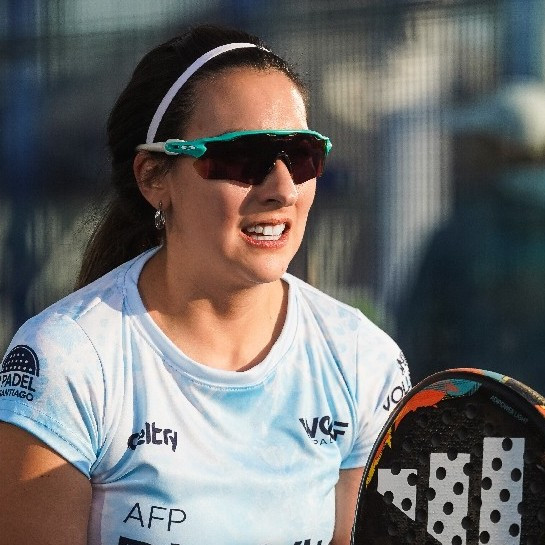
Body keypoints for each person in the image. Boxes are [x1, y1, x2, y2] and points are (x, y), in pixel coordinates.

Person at [0, 25, 410, 545]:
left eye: (303, 155)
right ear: (154, 177)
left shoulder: (362, 360)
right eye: (243, 158)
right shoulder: (67, 360)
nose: (283, 189)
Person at [396, 81, 545, 393]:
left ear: (501, 149)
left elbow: (416, 338)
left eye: (479, 143)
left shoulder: (459, 234)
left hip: (480, 411)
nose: (465, 152)